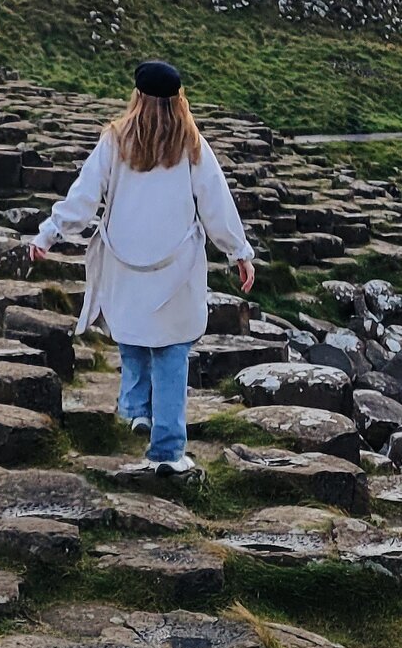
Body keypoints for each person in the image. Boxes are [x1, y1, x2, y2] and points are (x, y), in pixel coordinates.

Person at [27, 56, 255, 474]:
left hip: (125, 260)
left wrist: (48, 233)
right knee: (170, 350)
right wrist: (238, 251)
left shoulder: (115, 140)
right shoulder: (192, 145)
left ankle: (136, 408)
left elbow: (83, 195)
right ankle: (167, 451)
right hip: (175, 267)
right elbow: (216, 202)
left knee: (131, 332)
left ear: (137, 96)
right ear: (179, 99)